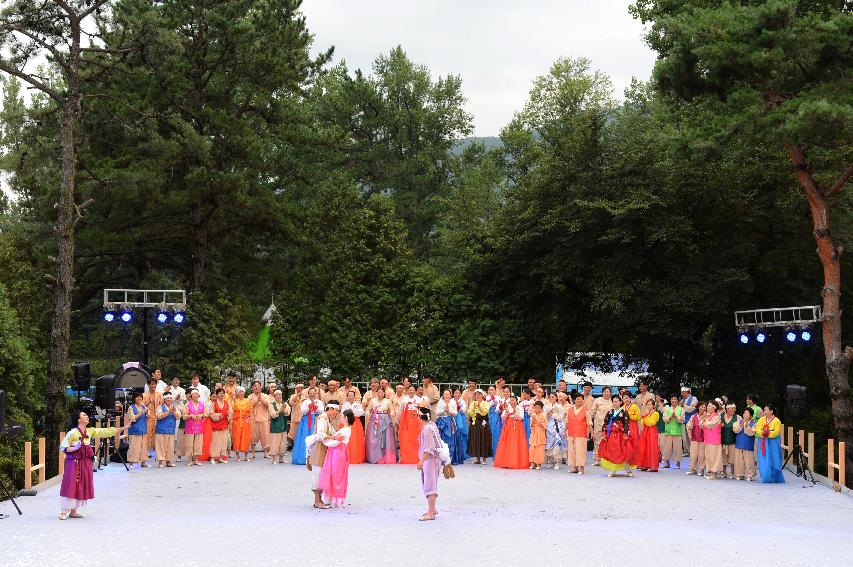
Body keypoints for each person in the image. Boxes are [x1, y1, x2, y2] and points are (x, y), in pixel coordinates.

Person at [59, 411, 129, 519]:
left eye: (86, 415)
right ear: (78, 420)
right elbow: (63, 448)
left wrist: (122, 428)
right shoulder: (72, 433)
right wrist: (75, 448)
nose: (87, 416)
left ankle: (73, 511)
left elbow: (104, 431)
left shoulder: (90, 431)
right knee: (71, 484)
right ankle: (64, 511)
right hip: (73, 463)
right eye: (84, 415)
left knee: (80, 484)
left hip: (85, 463)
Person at [307, 400, 340, 509]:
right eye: (336, 410)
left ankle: (319, 500)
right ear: (330, 409)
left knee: (321, 474)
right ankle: (317, 501)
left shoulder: (328, 420)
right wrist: (334, 438)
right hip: (319, 449)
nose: (337, 413)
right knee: (318, 474)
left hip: (325, 449)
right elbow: (320, 435)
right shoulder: (322, 419)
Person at [318, 409, 354, 508]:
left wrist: (323, 439)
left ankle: (333, 498)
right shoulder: (346, 429)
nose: (341, 418)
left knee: (335, 475)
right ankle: (332, 498)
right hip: (338, 453)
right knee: (335, 475)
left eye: (343, 416)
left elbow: (335, 442)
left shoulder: (345, 430)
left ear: (346, 418)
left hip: (337, 454)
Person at [416, 405, 443, 521]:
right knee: (429, 482)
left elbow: (429, 448)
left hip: (431, 459)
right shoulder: (431, 425)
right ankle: (432, 509)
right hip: (434, 459)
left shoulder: (427, 429)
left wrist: (421, 461)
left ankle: (431, 512)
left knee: (430, 484)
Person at [599, 396, 634, 477]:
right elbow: (605, 422)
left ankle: (628, 470)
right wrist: (604, 432)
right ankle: (613, 470)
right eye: (614, 402)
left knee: (622, 452)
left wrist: (625, 433)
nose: (615, 403)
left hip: (620, 435)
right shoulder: (610, 412)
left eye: (617, 402)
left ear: (620, 402)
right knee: (612, 452)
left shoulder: (624, 412)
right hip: (611, 435)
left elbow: (626, 423)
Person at [493, 396, 528, 469]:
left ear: (516, 401)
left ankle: (516, 461)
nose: (511, 402)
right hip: (508, 427)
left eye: (513, 400)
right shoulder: (507, 408)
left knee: (516, 443)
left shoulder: (520, 408)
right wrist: (506, 413)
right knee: (508, 443)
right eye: (511, 400)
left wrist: (514, 413)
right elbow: (503, 417)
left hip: (517, 426)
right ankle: (506, 461)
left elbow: (521, 417)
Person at [292, 387, 323, 465]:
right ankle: (303, 458)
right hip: (306, 422)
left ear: (316, 394)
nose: (312, 395)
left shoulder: (319, 402)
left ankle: (316, 458)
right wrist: (309, 406)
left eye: (313, 393)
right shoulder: (305, 402)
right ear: (308, 394)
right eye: (310, 393)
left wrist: (315, 406)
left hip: (316, 420)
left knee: (316, 439)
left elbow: (321, 411)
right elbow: (303, 411)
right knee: (304, 439)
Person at [755, 404, 785, 483]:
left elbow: (776, 432)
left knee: (774, 458)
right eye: (764, 410)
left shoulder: (777, 420)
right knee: (763, 458)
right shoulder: (761, 419)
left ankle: (775, 476)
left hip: (773, 442)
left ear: (771, 411)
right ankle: (765, 476)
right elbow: (757, 429)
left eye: (766, 410)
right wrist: (763, 432)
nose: (764, 411)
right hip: (763, 441)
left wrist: (768, 433)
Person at [366, 387, 396, 464]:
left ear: (384, 393)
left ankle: (387, 458)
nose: (380, 394)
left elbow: (392, 410)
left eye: (381, 393)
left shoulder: (388, 401)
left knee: (387, 439)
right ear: (376, 393)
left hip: (385, 419)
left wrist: (392, 413)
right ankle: (375, 457)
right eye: (378, 392)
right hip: (374, 420)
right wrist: (368, 413)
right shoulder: (373, 401)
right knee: (374, 438)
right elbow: (368, 409)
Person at [566, 393, 591, 474]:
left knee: (580, 451)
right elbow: (567, 422)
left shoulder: (585, 411)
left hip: (581, 433)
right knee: (571, 451)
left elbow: (589, 423)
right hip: (571, 432)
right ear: (574, 400)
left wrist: (590, 433)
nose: (579, 400)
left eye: (580, 399)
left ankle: (581, 468)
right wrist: (564, 431)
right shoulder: (570, 410)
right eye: (577, 399)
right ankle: (574, 467)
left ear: (583, 400)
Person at [154, 393, 181, 468]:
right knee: (161, 446)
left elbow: (178, 416)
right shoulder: (160, 407)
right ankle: (160, 462)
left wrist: (174, 412)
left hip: (171, 429)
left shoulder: (174, 407)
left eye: (170, 398)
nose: (169, 400)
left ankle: (168, 461)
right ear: (164, 400)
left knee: (170, 447)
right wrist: (169, 411)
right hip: (161, 429)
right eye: (167, 398)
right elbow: (159, 416)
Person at [398, 386, 423, 464]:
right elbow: (400, 410)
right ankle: (406, 457)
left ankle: (416, 457)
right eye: (410, 390)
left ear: (415, 391)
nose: (411, 391)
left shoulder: (419, 399)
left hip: (416, 420)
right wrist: (398, 420)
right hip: (406, 420)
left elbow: (422, 410)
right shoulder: (404, 399)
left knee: (415, 438)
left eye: (412, 390)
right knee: (405, 438)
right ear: (407, 391)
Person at [467, 389, 492, 464]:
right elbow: (469, 412)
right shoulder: (473, 403)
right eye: (476, 394)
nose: (477, 396)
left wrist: (479, 407)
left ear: (482, 395)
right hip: (475, 422)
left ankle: (484, 459)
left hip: (483, 422)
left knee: (484, 439)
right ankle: (478, 459)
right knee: (476, 439)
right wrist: (473, 411)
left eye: (478, 394)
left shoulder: (485, 403)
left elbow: (485, 412)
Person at [183, 388, 207, 466]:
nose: (196, 395)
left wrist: (202, 415)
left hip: (199, 426)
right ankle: (190, 460)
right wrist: (191, 416)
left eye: (197, 394)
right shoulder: (187, 404)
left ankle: (196, 459)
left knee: (198, 443)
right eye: (194, 394)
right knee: (189, 443)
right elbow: (184, 416)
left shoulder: (202, 404)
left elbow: (206, 414)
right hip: (190, 426)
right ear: (191, 396)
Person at [590, 387, 613, 466]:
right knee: (597, 441)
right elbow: (592, 412)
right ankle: (597, 459)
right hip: (598, 424)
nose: (606, 393)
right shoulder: (597, 400)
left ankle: (607, 459)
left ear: (610, 393)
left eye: (608, 392)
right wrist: (589, 422)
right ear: (602, 392)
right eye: (605, 392)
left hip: (609, 425)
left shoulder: (613, 401)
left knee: (609, 441)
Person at [435, 390, 459, 465]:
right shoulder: (440, 402)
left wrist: (449, 411)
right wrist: (443, 410)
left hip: (450, 421)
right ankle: (441, 458)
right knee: (441, 440)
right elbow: (437, 413)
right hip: (441, 422)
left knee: (450, 439)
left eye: (448, 394)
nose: (446, 396)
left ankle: (450, 458)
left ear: (450, 395)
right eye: (445, 394)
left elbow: (455, 413)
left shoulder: (453, 402)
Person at [248, 381, 271, 460]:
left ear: (261, 387)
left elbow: (268, 405)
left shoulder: (265, 396)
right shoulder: (250, 396)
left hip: (263, 419)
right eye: (254, 386)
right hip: (254, 419)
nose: (256, 387)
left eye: (258, 386)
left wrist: (261, 399)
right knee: (253, 437)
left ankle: (266, 453)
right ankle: (253, 453)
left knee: (265, 436)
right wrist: (257, 399)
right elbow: (250, 406)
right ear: (252, 388)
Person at [342, 390, 366, 464]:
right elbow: (343, 412)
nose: (350, 397)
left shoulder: (358, 404)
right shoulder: (345, 404)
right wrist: (351, 413)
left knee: (355, 439)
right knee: (347, 439)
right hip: (346, 422)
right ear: (347, 397)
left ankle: (356, 457)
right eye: (349, 395)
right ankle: (346, 457)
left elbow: (361, 412)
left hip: (356, 423)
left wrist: (351, 412)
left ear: (354, 397)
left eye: (352, 395)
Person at [126, 392, 149, 468]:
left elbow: (148, 416)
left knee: (144, 447)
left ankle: (143, 462)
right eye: (137, 397)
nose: (139, 398)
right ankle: (131, 463)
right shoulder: (131, 407)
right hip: (134, 430)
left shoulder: (143, 406)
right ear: (134, 399)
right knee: (134, 447)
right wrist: (141, 413)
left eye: (140, 397)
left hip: (143, 429)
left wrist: (147, 412)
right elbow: (132, 418)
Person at [207, 387, 230, 464]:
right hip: (216, 424)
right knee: (215, 441)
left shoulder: (226, 403)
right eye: (220, 393)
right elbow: (210, 413)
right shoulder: (213, 403)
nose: (222, 394)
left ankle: (221, 457)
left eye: (223, 393)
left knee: (224, 441)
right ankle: (213, 457)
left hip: (225, 424)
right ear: (216, 394)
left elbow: (230, 411)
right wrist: (217, 415)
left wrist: (229, 414)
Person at [636, 398, 660, 472]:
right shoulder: (647, 413)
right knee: (644, 447)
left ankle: (653, 466)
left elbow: (651, 423)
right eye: (648, 405)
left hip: (652, 431)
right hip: (645, 431)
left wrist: (644, 418)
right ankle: (644, 464)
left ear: (653, 406)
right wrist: (643, 418)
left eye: (650, 405)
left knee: (651, 447)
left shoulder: (656, 413)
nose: (649, 406)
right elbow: (642, 423)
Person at [733, 407, 757, 481]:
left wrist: (746, 426)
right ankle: (740, 474)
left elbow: (752, 433)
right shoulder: (739, 421)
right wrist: (740, 426)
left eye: (746, 413)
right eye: (744, 413)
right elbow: (735, 430)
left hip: (748, 444)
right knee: (739, 460)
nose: (744, 414)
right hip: (739, 443)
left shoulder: (754, 423)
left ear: (751, 415)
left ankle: (750, 475)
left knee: (749, 460)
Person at [661, 394, 684, 469]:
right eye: (672, 399)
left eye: (675, 399)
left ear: (677, 400)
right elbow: (664, 419)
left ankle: (678, 463)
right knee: (667, 448)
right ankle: (667, 463)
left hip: (677, 431)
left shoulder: (681, 409)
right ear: (670, 401)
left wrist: (676, 417)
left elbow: (682, 419)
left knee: (678, 448)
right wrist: (670, 417)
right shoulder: (667, 409)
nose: (673, 400)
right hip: (668, 431)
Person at [701, 401, 722, 480]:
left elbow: (710, 425)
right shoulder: (709, 416)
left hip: (714, 440)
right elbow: (701, 424)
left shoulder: (717, 416)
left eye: (709, 406)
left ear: (714, 408)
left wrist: (705, 419)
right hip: (707, 439)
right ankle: (710, 471)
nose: (707, 408)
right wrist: (704, 419)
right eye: (708, 406)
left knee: (714, 456)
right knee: (709, 456)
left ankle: (714, 473)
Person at [269, 389, 291, 464]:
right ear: (274, 396)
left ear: (281, 396)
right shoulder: (272, 404)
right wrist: (279, 410)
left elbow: (288, 413)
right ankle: (274, 459)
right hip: (275, 427)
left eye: (280, 394)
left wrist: (284, 410)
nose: (278, 396)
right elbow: (273, 415)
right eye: (277, 394)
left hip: (283, 426)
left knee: (283, 443)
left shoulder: (285, 403)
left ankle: (281, 458)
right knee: (274, 443)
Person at [142, 378, 163, 454]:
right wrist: (147, 405)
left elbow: (162, 405)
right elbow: (142, 406)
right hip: (148, 417)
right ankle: (146, 451)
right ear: (148, 385)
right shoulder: (144, 395)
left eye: (155, 384)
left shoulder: (159, 394)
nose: (154, 385)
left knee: (157, 435)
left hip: (158, 417)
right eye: (152, 384)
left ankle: (157, 451)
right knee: (147, 434)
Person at [685, 401, 706, 476]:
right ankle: (693, 469)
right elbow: (689, 426)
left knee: (702, 455)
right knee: (693, 454)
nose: (703, 408)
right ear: (698, 407)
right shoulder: (693, 416)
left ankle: (702, 470)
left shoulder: (707, 417)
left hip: (703, 439)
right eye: (702, 406)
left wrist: (704, 417)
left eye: (704, 407)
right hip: (694, 438)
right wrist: (689, 435)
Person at [231, 386, 252, 461]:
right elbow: (232, 409)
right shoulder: (234, 400)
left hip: (246, 421)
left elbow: (250, 409)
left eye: (242, 392)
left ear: (244, 393)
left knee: (246, 437)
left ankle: (246, 456)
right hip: (237, 421)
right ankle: (238, 456)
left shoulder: (247, 401)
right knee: (237, 437)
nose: (241, 393)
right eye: (240, 392)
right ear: (237, 393)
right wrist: (234, 401)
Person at [721, 403, 738, 479]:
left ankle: (733, 472)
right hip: (723, 440)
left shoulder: (737, 417)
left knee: (732, 457)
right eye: (732, 408)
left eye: (734, 408)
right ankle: (724, 472)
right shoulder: (721, 416)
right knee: (723, 457)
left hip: (733, 440)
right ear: (727, 409)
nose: (734, 410)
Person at [528, 401, 546, 470]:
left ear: (541, 409)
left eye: (538, 408)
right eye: (535, 408)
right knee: (532, 448)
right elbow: (531, 425)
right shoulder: (533, 415)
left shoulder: (543, 415)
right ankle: (532, 463)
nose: (537, 409)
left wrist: (537, 419)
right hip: (534, 433)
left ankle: (539, 464)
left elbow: (544, 425)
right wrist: (532, 423)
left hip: (540, 433)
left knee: (539, 449)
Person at [680, 387, 698, 456]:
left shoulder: (694, 399)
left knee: (691, 436)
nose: (681, 394)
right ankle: (688, 451)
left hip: (691, 421)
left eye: (682, 392)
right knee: (685, 438)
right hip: (684, 420)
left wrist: (683, 406)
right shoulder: (682, 400)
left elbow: (691, 409)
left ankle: (693, 451)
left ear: (686, 392)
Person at [486, 386, 503, 457]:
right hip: (488, 414)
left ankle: (496, 452)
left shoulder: (498, 398)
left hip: (495, 415)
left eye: (492, 390)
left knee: (495, 432)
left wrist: (493, 399)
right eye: (489, 390)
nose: (491, 391)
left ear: (495, 391)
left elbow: (499, 407)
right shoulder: (486, 398)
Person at [452, 389, 468, 464]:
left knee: (462, 436)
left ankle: (463, 454)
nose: (458, 394)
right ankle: (454, 454)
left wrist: (458, 406)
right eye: (456, 393)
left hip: (461, 419)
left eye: (459, 393)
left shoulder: (462, 401)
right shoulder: (451, 401)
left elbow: (463, 411)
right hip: (453, 419)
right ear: (453, 394)